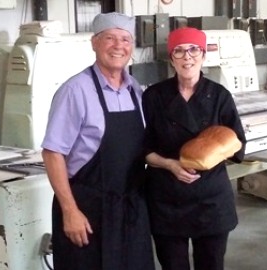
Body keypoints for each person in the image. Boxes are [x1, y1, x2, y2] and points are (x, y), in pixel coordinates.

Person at [41, 12, 155, 270]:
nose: (118, 46)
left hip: (130, 209)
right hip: (87, 210)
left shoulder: (135, 90)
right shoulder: (75, 90)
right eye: (110, 38)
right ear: (94, 43)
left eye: (125, 39)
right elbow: (52, 153)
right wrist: (70, 211)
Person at [142, 27, 247, 270]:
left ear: (203, 55)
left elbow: (237, 142)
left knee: (211, 265)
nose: (187, 57)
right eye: (178, 51)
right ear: (171, 58)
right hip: (167, 199)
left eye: (193, 50)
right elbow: (143, 147)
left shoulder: (219, 95)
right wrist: (170, 164)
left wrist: (210, 153)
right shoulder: (153, 96)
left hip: (210, 200)